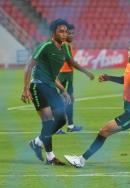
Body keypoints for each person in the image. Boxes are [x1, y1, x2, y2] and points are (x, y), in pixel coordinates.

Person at [22, 19, 94, 165]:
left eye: (66, 31)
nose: (64, 34)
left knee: (61, 119)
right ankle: (50, 157)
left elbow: (53, 75)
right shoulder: (45, 46)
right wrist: (25, 89)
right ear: (53, 32)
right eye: (61, 31)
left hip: (50, 86)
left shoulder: (64, 49)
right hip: (38, 86)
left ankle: (37, 142)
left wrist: (63, 90)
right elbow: (29, 66)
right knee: (48, 122)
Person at [55, 24, 83, 134]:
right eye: (69, 33)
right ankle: (56, 127)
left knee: (70, 100)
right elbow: (69, 60)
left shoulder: (67, 45)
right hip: (63, 74)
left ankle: (70, 125)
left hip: (69, 73)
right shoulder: (63, 44)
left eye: (73, 33)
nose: (72, 35)